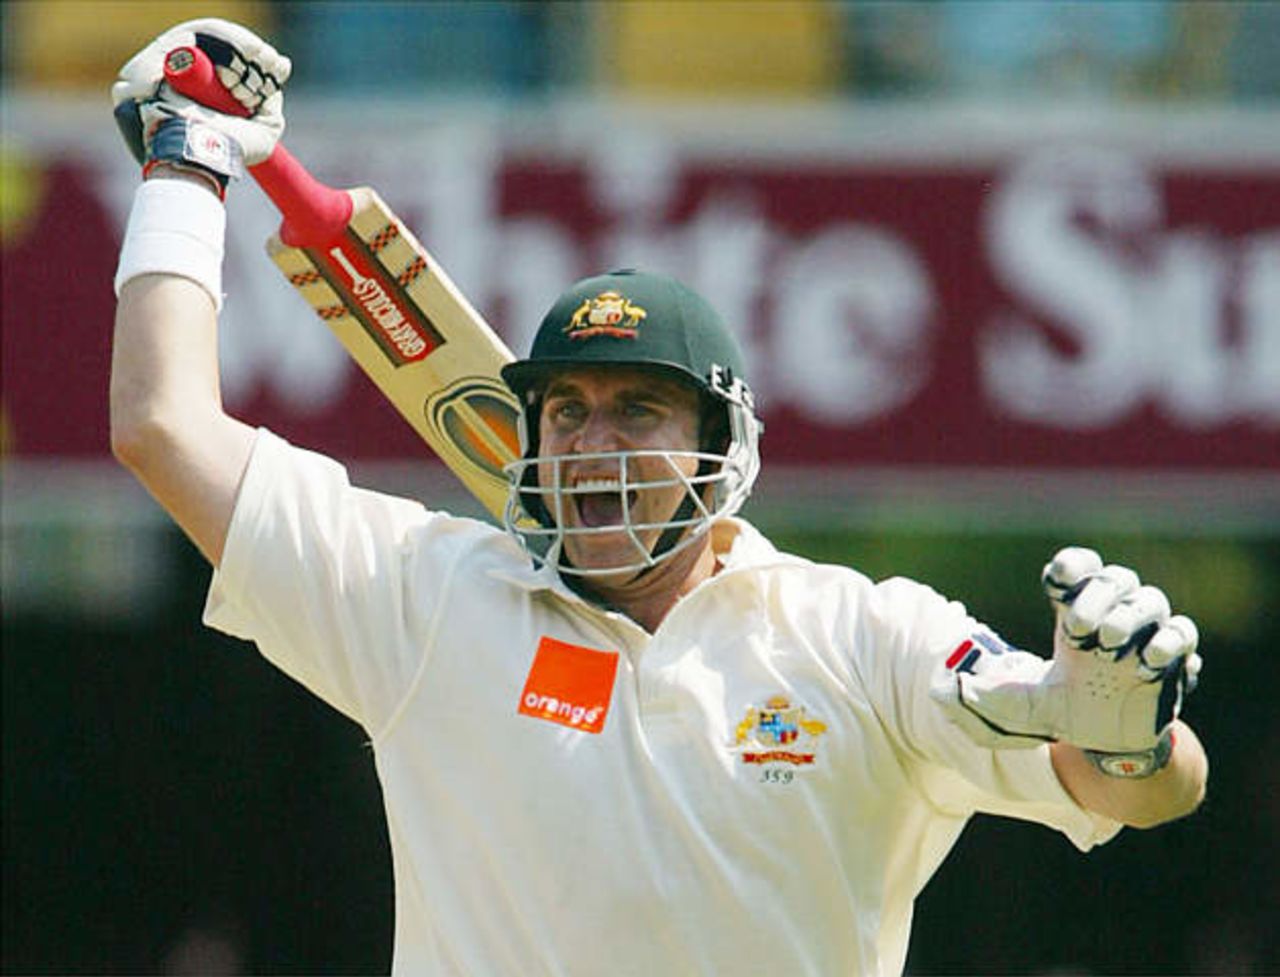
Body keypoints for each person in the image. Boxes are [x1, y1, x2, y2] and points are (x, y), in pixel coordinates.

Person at [109, 20, 1208, 977]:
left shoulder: (854, 634)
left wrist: (1121, 727)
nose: (594, 443)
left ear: (719, 446)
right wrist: (184, 167)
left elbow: (1134, 790)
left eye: (639, 412)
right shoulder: (430, 600)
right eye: (567, 411)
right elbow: (163, 428)